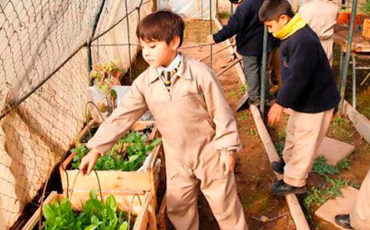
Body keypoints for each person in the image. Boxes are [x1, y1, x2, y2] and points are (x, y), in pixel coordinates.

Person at [79, 10, 248, 230]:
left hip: (209, 153)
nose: (146, 54)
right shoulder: (144, 83)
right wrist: (96, 149)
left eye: (153, 46)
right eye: (142, 47)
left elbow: (221, 113)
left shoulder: (199, 74)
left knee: (225, 204)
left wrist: (227, 148)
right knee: (179, 208)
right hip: (175, 157)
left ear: (174, 42)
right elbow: (122, 116)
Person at [258, 0, 340, 195]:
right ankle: (287, 161)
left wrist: (280, 103)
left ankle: (295, 181)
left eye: (270, 26)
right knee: (294, 130)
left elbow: (298, 77)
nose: (270, 31)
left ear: (283, 18)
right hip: (304, 99)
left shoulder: (303, 41)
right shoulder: (293, 33)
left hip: (316, 102)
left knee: (305, 141)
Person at [209, 0, 280, 106]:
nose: (236, 6)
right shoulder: (266, 2)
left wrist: (215, 38)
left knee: (252, 70)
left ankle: (255, 98)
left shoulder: (246, 6)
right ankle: (267, 96)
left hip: (250, 45)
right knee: (263, 69)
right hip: (266, 44)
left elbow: (232, 27)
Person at [298, 0, 340, 66]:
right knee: (324, 71)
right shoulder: (334, 8)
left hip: (308, 44)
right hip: (326, 44)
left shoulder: (304, 8)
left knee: (307, 70)